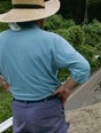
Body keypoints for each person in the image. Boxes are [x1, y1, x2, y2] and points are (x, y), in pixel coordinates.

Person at [0, 0, 90, 133]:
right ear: (41, 18)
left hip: (19, 109)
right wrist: (66, 87)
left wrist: (4, 82)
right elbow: (83, 67)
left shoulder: (1, 39)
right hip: (46, 108)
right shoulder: (51, 40)